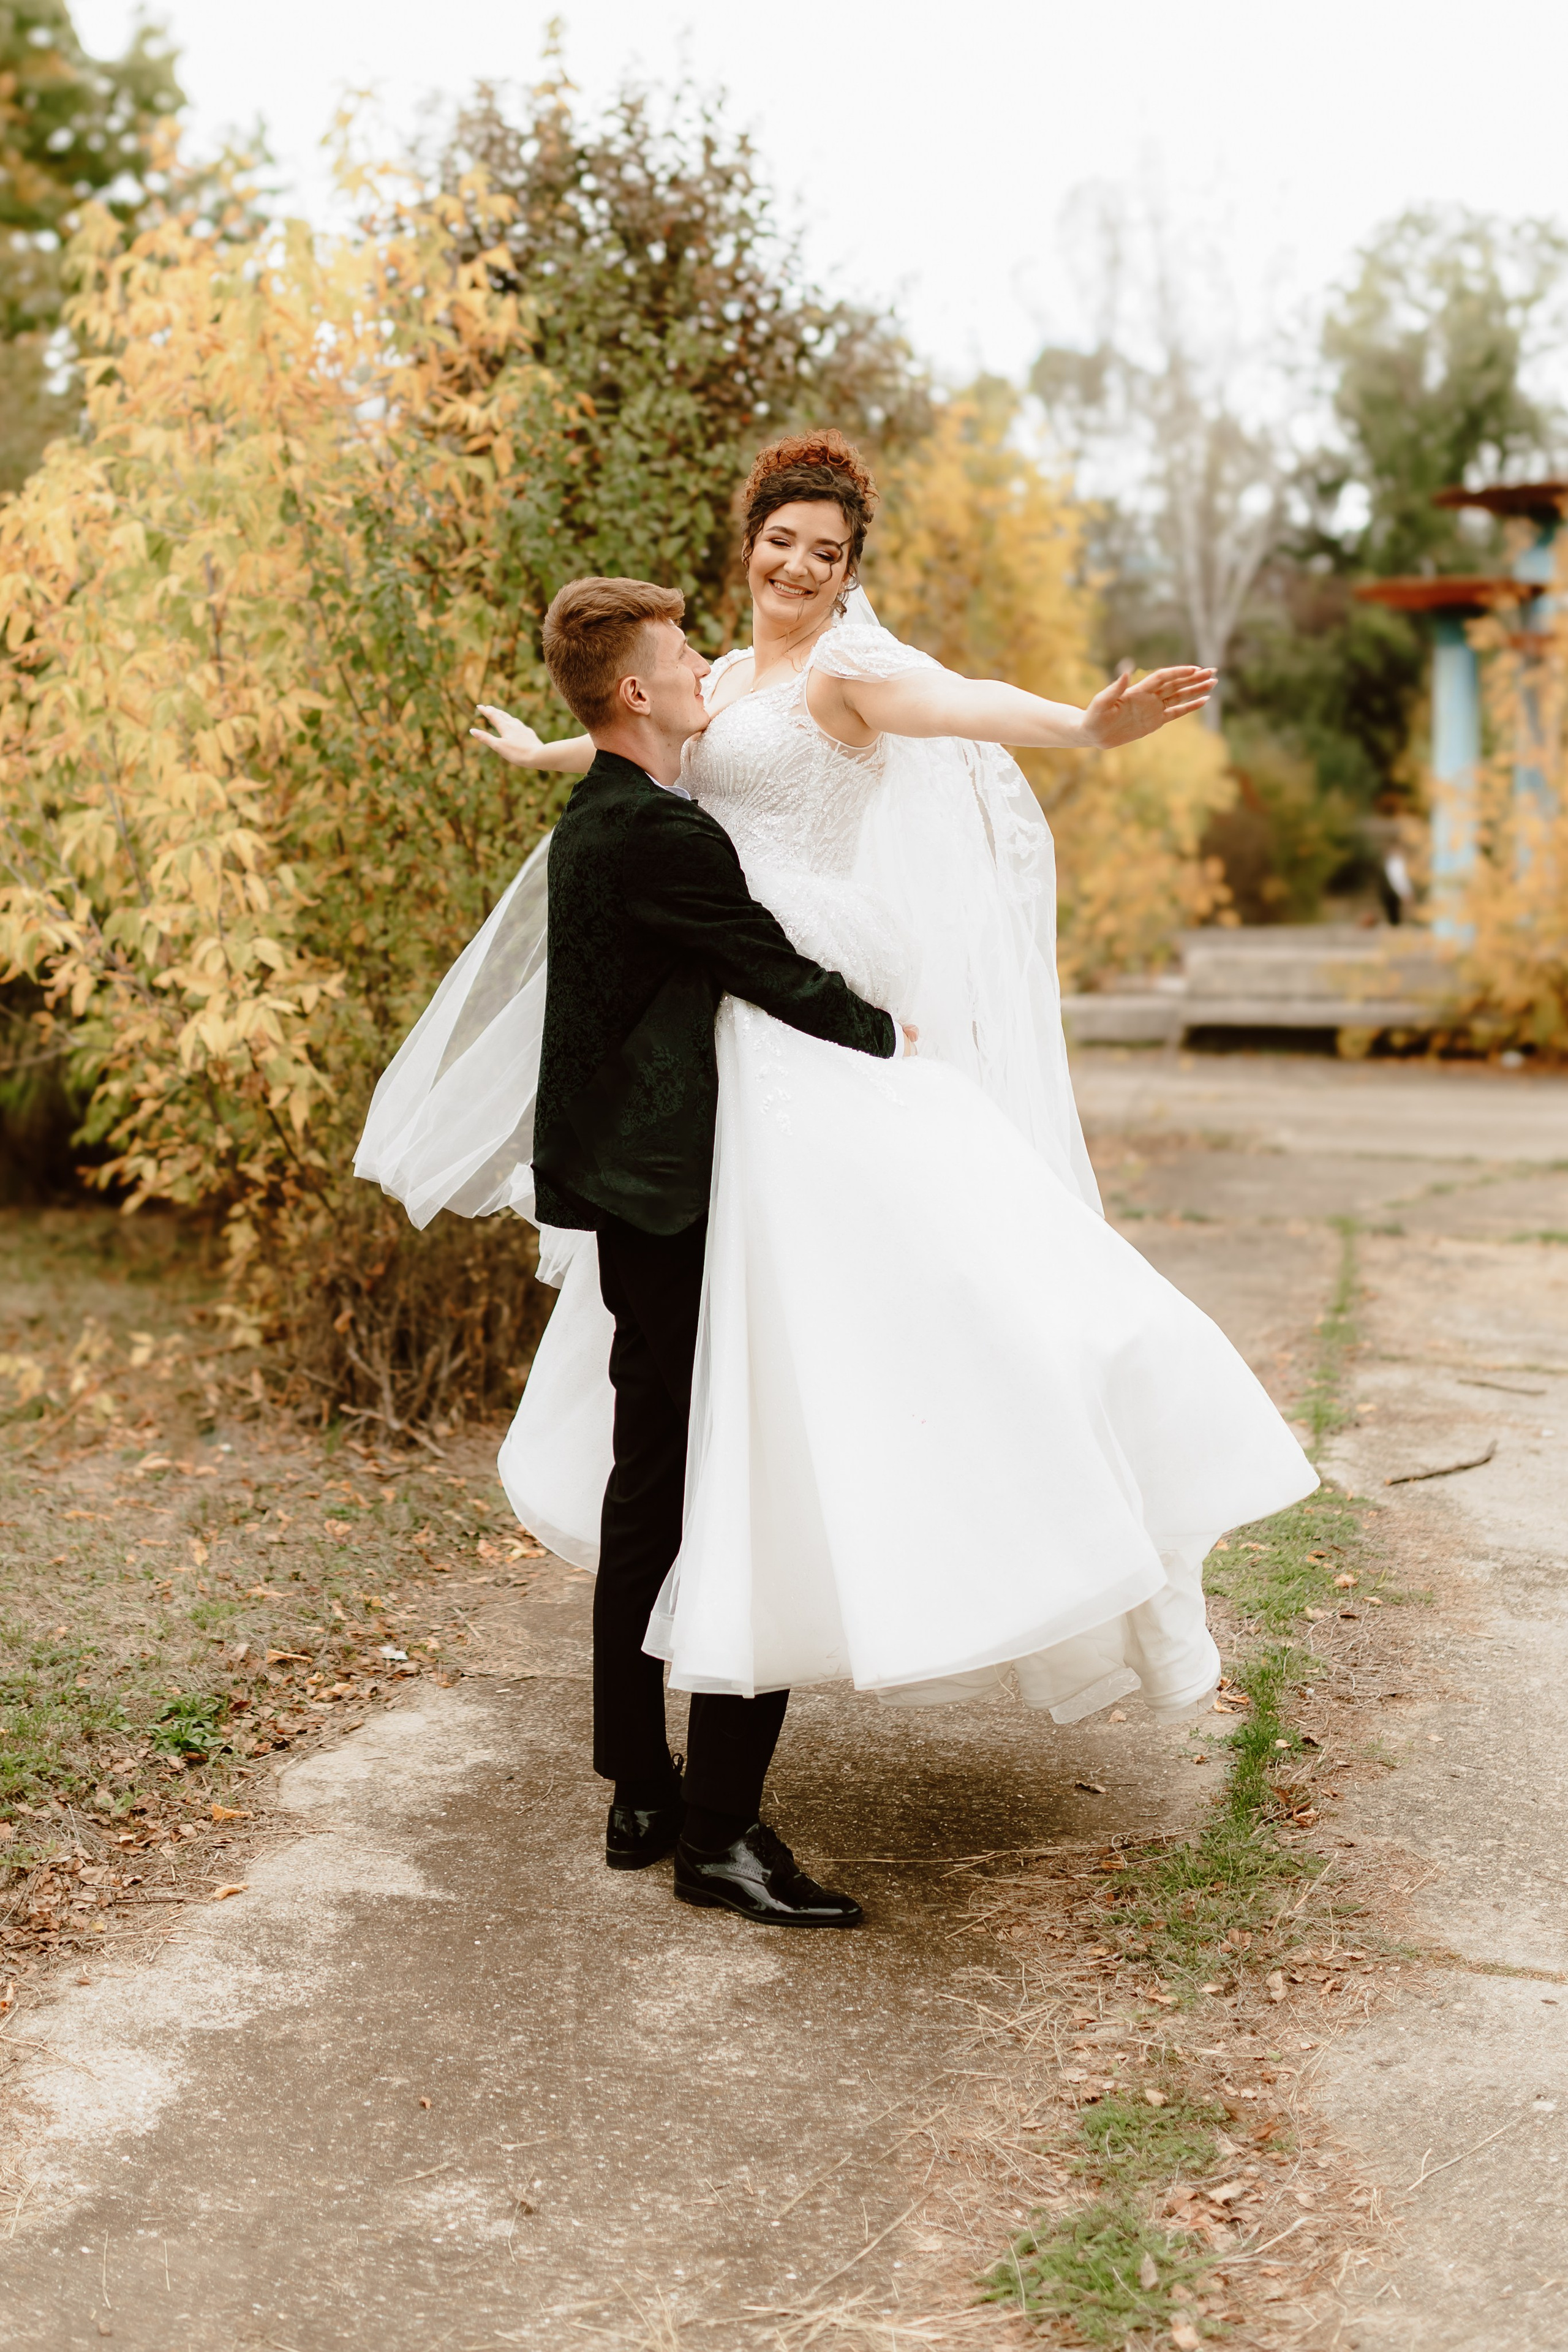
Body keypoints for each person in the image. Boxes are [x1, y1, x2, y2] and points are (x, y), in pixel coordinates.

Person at [359, 432, 1317, 1930]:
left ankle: (717, 1753)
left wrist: (1079, 721)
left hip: (797, 1044)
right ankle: (654, 1778)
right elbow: (645, 740)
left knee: (823, 1362)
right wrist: (537, 750)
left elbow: (962, 707)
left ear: (851, 568)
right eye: (779, 541)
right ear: (745, 542)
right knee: (671, 1421)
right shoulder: (716, 677)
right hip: (713, 1067)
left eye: (825, 549)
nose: (797, 566)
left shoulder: (850, 677)